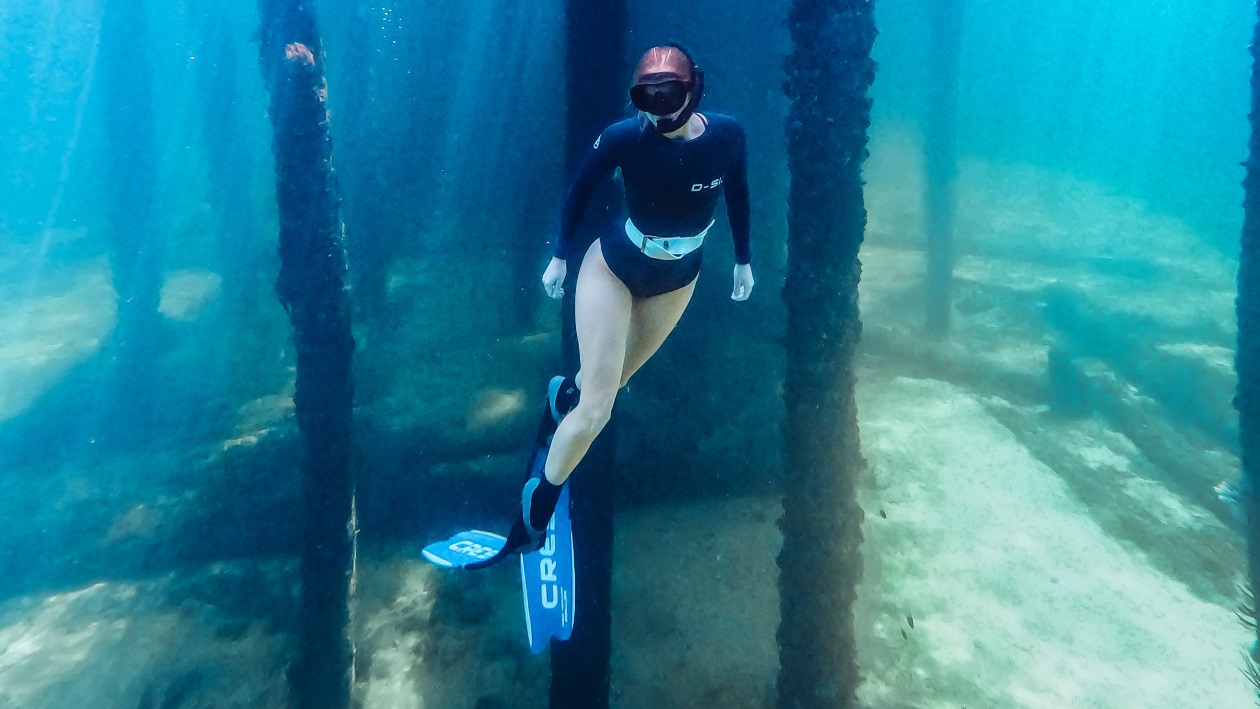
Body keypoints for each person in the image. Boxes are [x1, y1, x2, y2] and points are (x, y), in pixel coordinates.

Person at [495, 43, 754, 561]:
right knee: (598, 409)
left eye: (668, 94)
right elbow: (579, 188)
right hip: (612, 266)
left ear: (694, 88)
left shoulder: (726, 136)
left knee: (611, 383)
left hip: (679, 277)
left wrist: (743, 258)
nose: (656, 107)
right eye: (646, 96)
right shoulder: (623, 138)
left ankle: (561, 397)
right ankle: (536, 509)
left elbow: (739, 193)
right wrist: (560, 257)